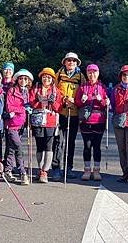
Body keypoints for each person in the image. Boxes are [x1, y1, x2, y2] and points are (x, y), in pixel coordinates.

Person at [52, 52, 86, 181]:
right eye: (69, 60)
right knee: (58, 142)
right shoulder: (58, 75)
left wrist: (75, 100)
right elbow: (54, 91)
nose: (71, 62)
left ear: (77, 63)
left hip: (74, 113)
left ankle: (68, 168)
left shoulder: (81, 76)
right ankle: (56, 168)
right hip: (60, 112)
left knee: (70, 142)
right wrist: (64, 99)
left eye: (73, 60)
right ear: (65, 62)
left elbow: (84, 92)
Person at [75, 64, 109, 181]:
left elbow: (107, 104)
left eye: (94, 72)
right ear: (87, 74)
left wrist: (102, 100)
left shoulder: (103, 87)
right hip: (86, 120)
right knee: (87, 146)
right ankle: (87, 170)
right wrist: (82, 100)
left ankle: (96, 170)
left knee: (97, 146)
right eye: (89, 72)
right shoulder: (83, 87)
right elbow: (77, 103)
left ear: (98, 73)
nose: (92, 75)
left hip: (99, 120)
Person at [29, 67, 63, 183]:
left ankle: (45, 170)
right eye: (44, 77)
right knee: (40, 146)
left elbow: (59, 107)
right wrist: (37, 101)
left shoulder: (55, 91)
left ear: (52, 79)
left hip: (50, 121)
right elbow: (31, 103)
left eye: (49, 77)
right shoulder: (36, 89)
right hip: (38, 120)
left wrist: (53, 102)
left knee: (49, 146)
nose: (46, 79)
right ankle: (40, 168)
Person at [3, 69, 33, 185]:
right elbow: (10, 107)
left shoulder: (27, 91)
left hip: (21, 124)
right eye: (21, 78)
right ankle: (22, 171)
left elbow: (30, 104)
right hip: (11, 124)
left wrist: (29, 108)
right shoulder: (12, 90)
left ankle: (8, 170)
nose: (23, 80)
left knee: (11, 148)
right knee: (19, 147)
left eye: (25, 79)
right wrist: (23, 109)